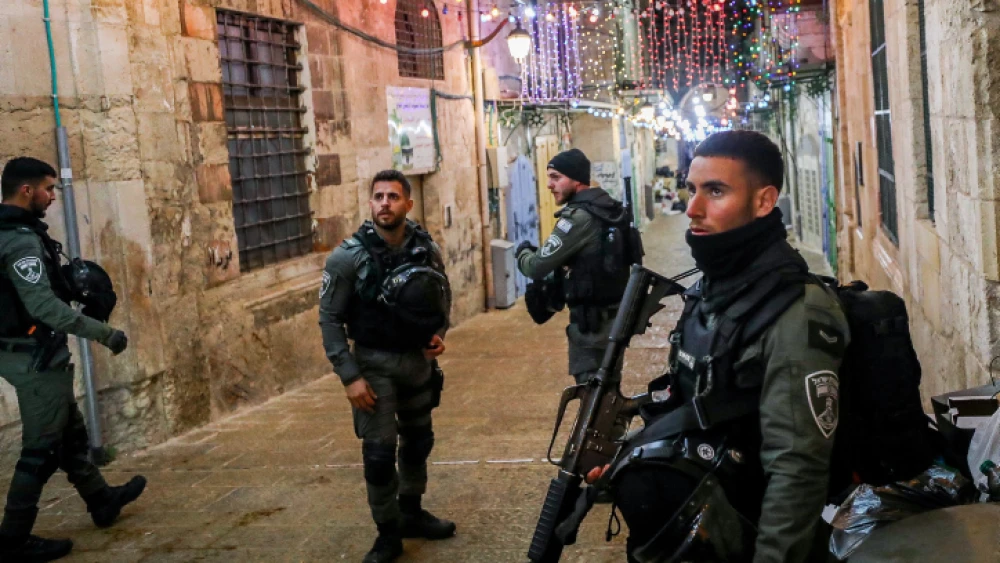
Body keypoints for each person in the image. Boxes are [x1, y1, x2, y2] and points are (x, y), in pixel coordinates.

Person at [588, 131, 850, 562]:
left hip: (749, 532)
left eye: (715, 191)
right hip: (704, 523)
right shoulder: (714, 287)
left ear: (764, 202)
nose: (692, 208)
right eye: (693, 189)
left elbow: (797, 471)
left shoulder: (796, 313)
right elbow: (692, 401)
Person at [0, 157, 146, 562]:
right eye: (48, 188)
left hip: (28, 354)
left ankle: (101, 499)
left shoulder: (15, 231)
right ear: (26, 190)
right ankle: (12, 540)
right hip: (34, 358)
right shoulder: (19, 241)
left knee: (69, 436)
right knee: (41, 449)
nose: (52, 196)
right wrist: (104, 334)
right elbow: (43, 305)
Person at [319, 170, 455, 563]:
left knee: (418, 442)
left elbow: (440, 293)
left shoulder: (424, 247)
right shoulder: (348, 256)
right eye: (378, 196)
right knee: (379, 456)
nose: (384, 203)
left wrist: (437, 333)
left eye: (393, 197)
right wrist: (350, 376)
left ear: (407, 204)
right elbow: (329, 319)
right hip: (373, 367)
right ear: (370, 203)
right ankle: (387, 533)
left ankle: (411, 512)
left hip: (416, 364)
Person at [515, 148, 637, 385]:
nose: (549, 184)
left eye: (556, 177)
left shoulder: (577, 218)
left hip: (592, 328)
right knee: (607, 395)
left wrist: (523, 253)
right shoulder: (609, 207)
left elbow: (537, 267)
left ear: (577, 180)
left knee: (592, 399)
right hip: (615, 320)